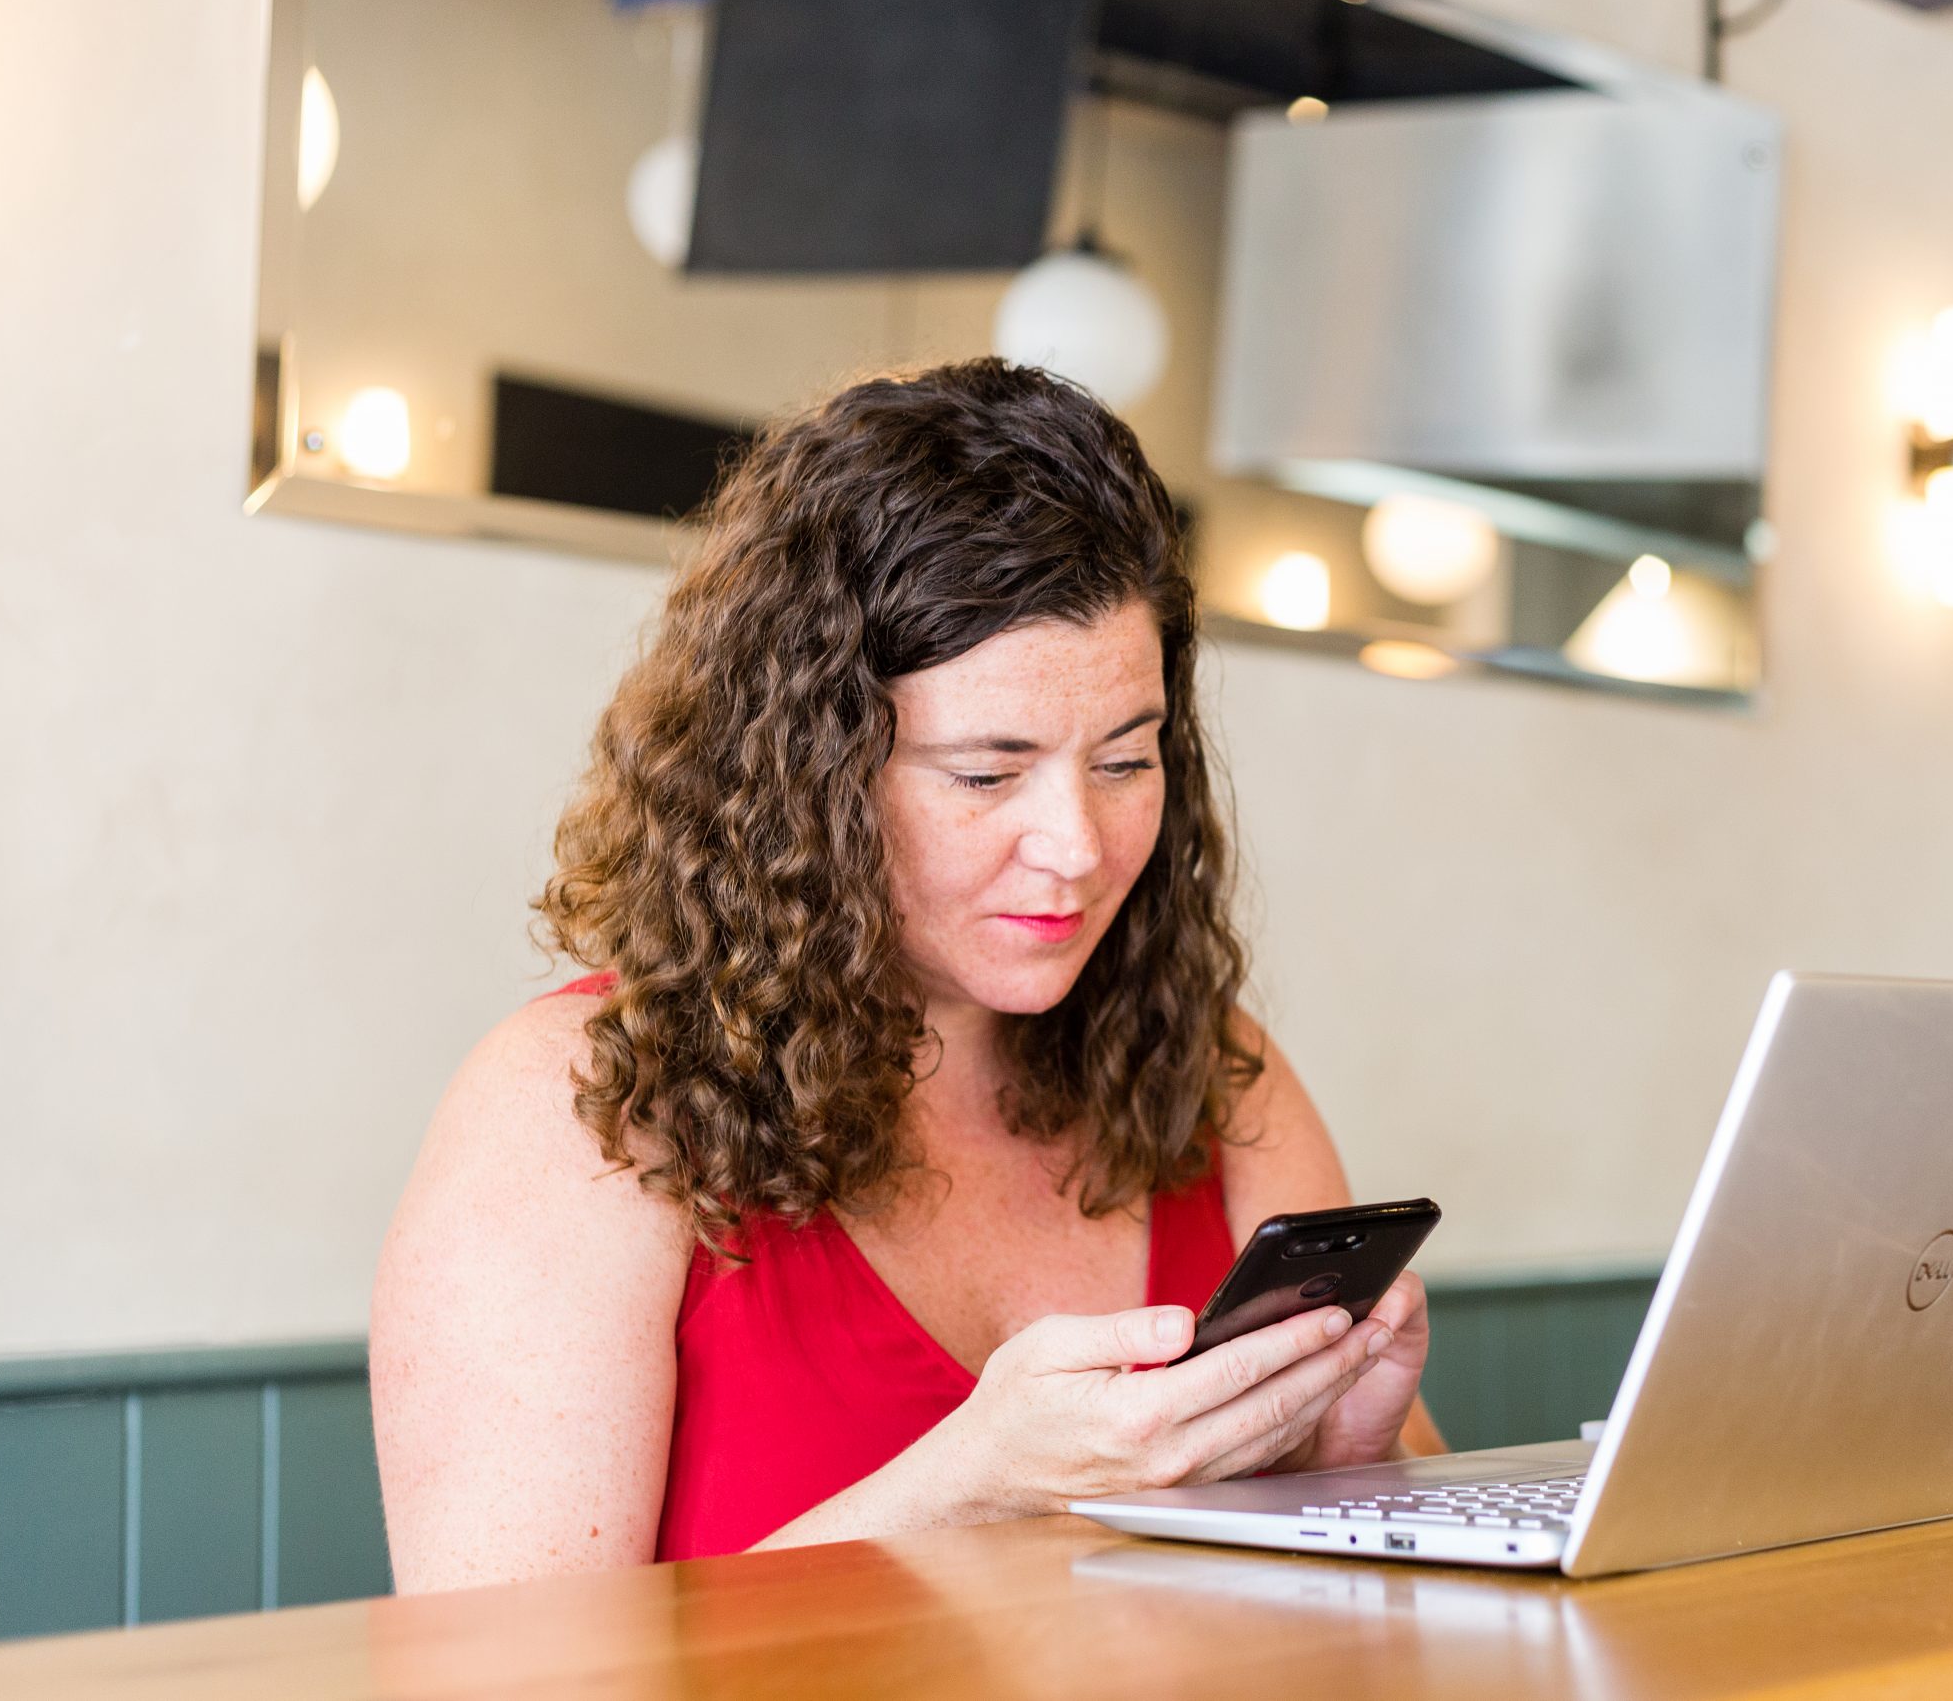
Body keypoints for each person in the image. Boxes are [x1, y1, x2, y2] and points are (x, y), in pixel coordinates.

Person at [369, 359, 1443, 1593]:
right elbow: (501, 1679)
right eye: (987, 775)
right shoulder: (575, 1109)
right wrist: (974, 1485)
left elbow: (1382, 1627)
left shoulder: (1213, 1070)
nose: (1077, 848)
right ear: (809, 778)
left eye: (1126, 760)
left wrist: (1347, 1455)